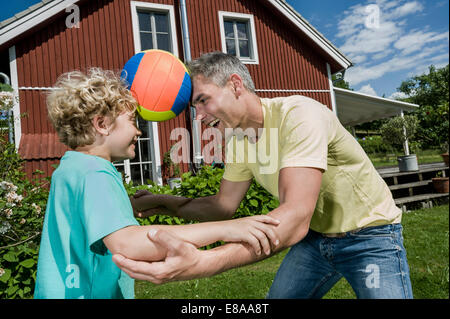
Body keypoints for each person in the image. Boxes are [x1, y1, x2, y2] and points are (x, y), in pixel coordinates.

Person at [113, 52, 414, 299]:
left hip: (371, 235)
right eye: (195, 107)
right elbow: (222, 206)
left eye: (203, 101)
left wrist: (204, 262)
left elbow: (294, 218)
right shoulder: (239, 139)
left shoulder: (299, 115)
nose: (199, 117)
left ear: (235, 85)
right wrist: (163, 202)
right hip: (316, 239)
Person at [34, 68, 281, 299]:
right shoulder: (95, 174)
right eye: (132, 121)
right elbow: (129, 243)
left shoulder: (71, 168)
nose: (138, 131)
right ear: (101, 125)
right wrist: (228, 229)